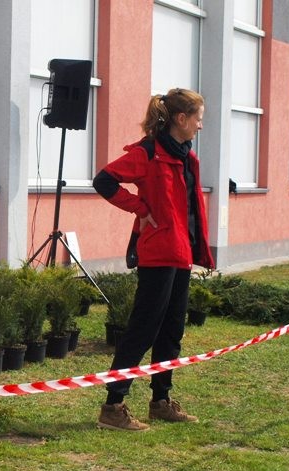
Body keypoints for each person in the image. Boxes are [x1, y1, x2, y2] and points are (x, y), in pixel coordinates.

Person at [92, 88, 215, 431]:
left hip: (181, 254)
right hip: (158, 253)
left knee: (172, 331)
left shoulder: (188, 158)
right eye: (198, 119)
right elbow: (104, 180)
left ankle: (161, 401)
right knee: (143, 329)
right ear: (181, 119)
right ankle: (113, 407)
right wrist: (140, 209)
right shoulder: (148, 153)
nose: (200, 126)